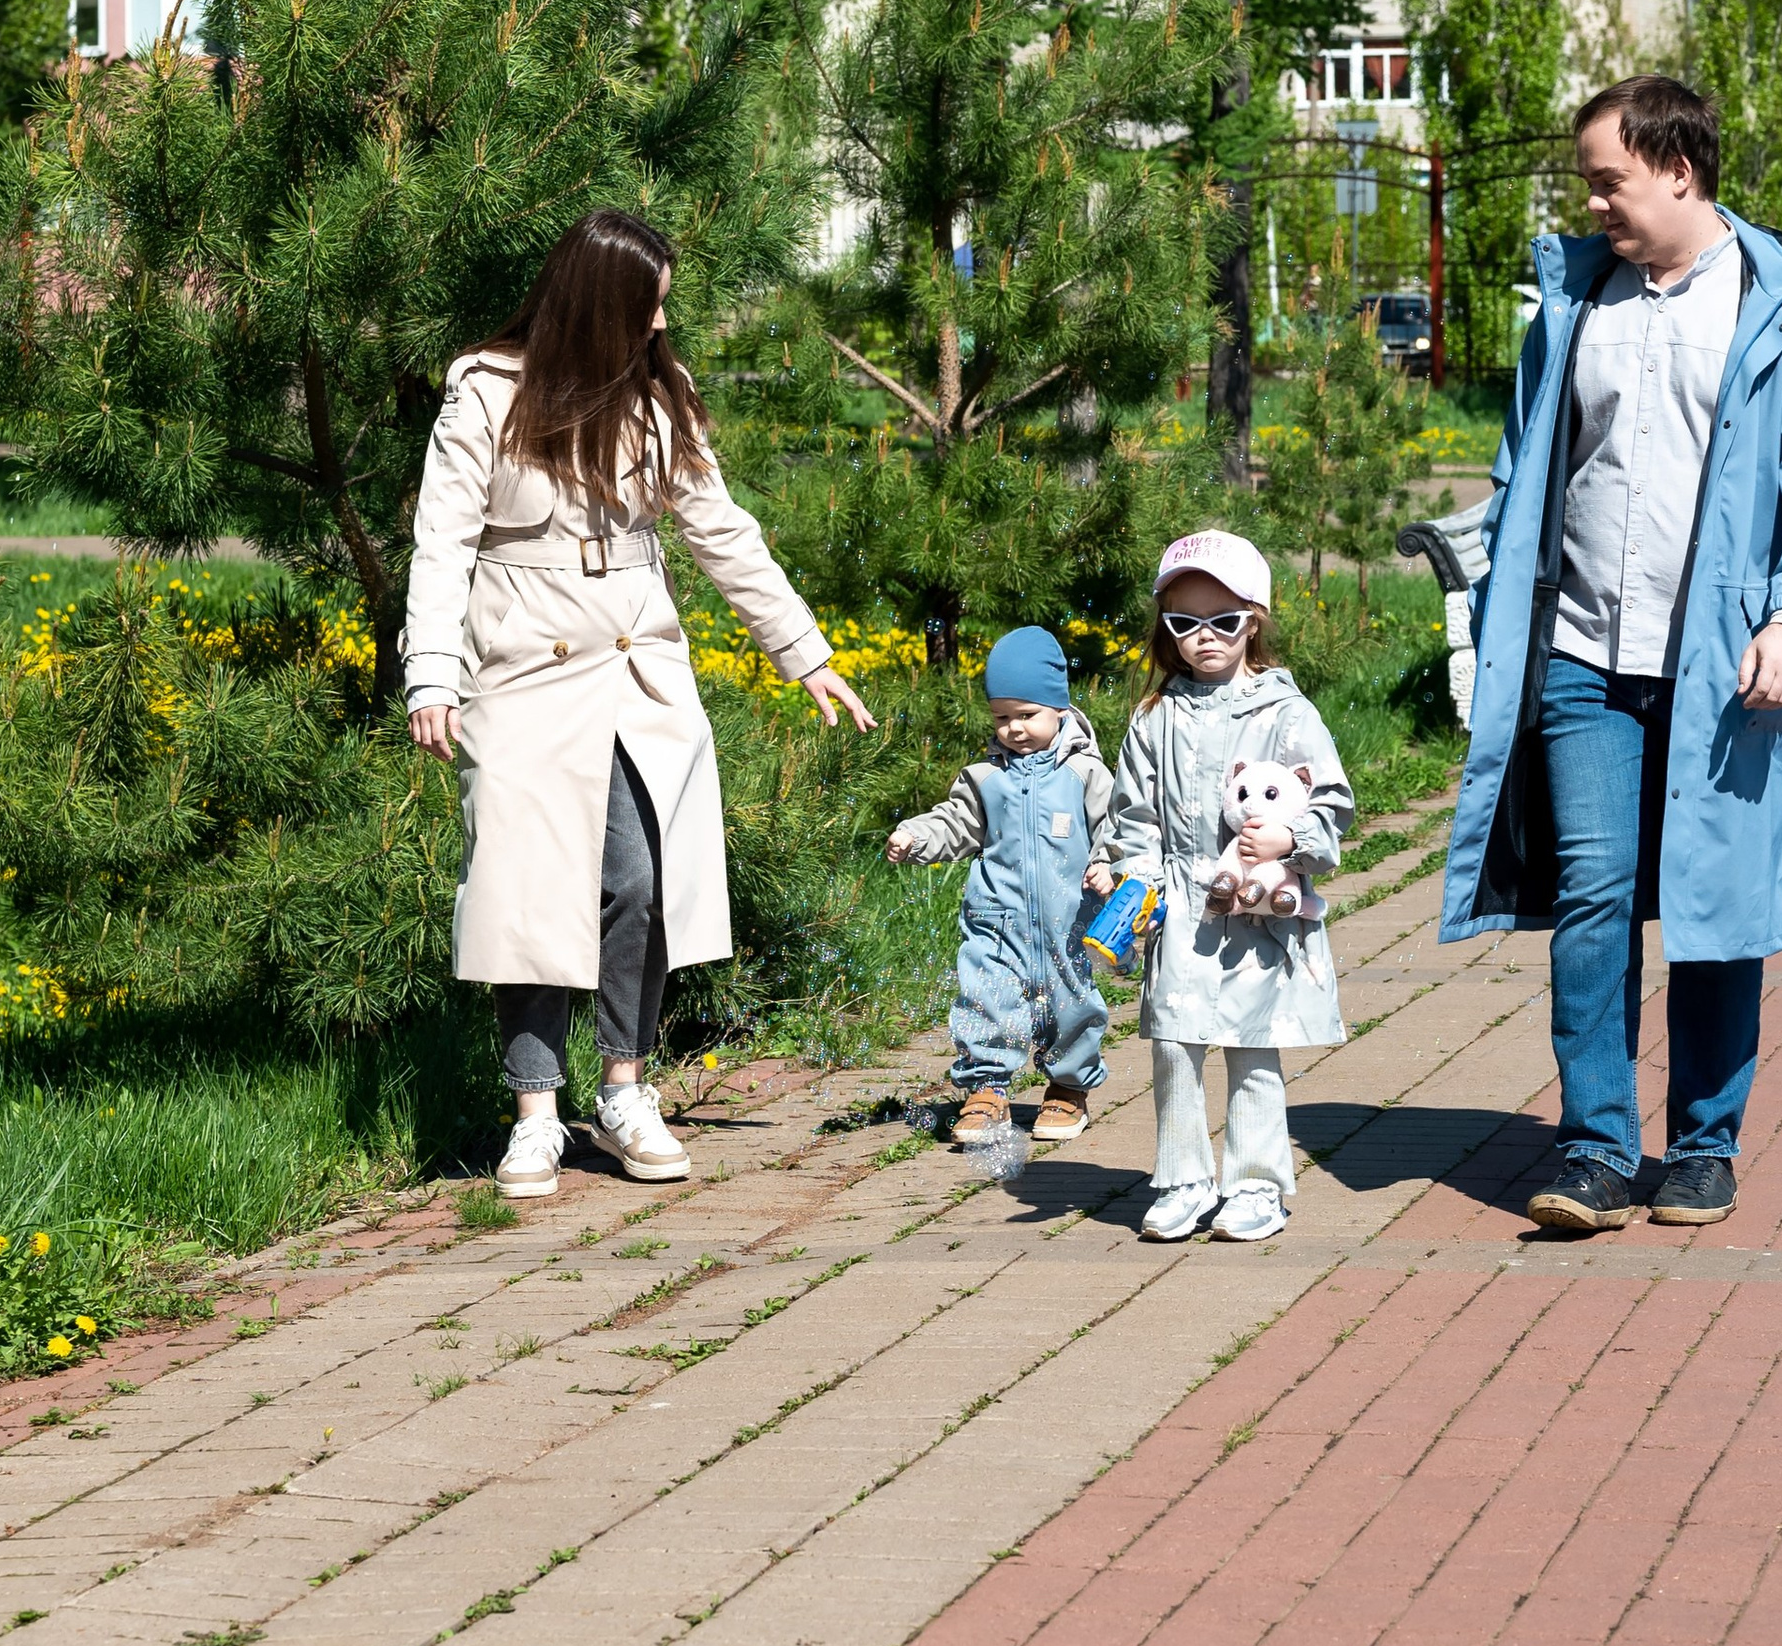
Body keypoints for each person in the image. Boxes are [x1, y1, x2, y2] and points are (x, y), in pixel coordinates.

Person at [1440, 76, 1782, 1238]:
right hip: (1581, 648)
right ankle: (1592, 1147)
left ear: (1677, 168)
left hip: (1726, 664)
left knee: (1713, 903)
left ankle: (1703, 1146)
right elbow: (1523, 462)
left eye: (1607, 179)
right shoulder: (1576, 300)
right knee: (1591, 892)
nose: (1595, 203)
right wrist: (1484, 611)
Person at [403, 207, 876, 1200]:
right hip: (522, 666)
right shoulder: (485, 392)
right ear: (598, 303)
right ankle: (536, 1111)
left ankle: (624, 1087)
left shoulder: (661, 397)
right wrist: (432, 673)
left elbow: (722, 532)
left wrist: (805, 653)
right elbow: (441, 541)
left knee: (641, 877)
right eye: (649, 306)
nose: (662, 325)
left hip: (637, 667)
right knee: (527, 886)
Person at [1108, 528, 1352, 1246]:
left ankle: (1256, 1184)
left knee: (1253, 1043)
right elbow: (1133, 816)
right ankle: (1183, 1179)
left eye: (1222, 620)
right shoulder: (1155, 717)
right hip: (1182, 904)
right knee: (1173, 1043)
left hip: (1258, 910)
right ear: (1166, 627)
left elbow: (1330, 802)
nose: (1202, 636)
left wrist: (1291, 840)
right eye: (1184, 622)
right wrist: (1137, 889)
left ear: (1255, 619)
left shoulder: (1286, 712)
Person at [886, 625, 1115, 1148]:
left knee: (1072, 1000)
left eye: (1027, 715)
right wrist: (916, 836)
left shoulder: (1084, 773)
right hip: (995, 919)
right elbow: (956, 823)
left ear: (1059, 708)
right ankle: (986, 1088)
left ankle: (1067, 1088)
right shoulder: (986, 778)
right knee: (985, 998)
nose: (1013, 729)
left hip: (1069, 920)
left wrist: (1107, 864)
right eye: (1002, 717)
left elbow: (1116, 828)